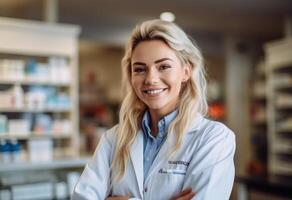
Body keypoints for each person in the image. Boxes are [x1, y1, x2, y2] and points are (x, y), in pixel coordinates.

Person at [72, 19, 236, 200]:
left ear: (186, 72)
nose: (151, 79)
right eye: (140, 69)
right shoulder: (113, 140)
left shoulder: (214, 138)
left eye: (163, 66)